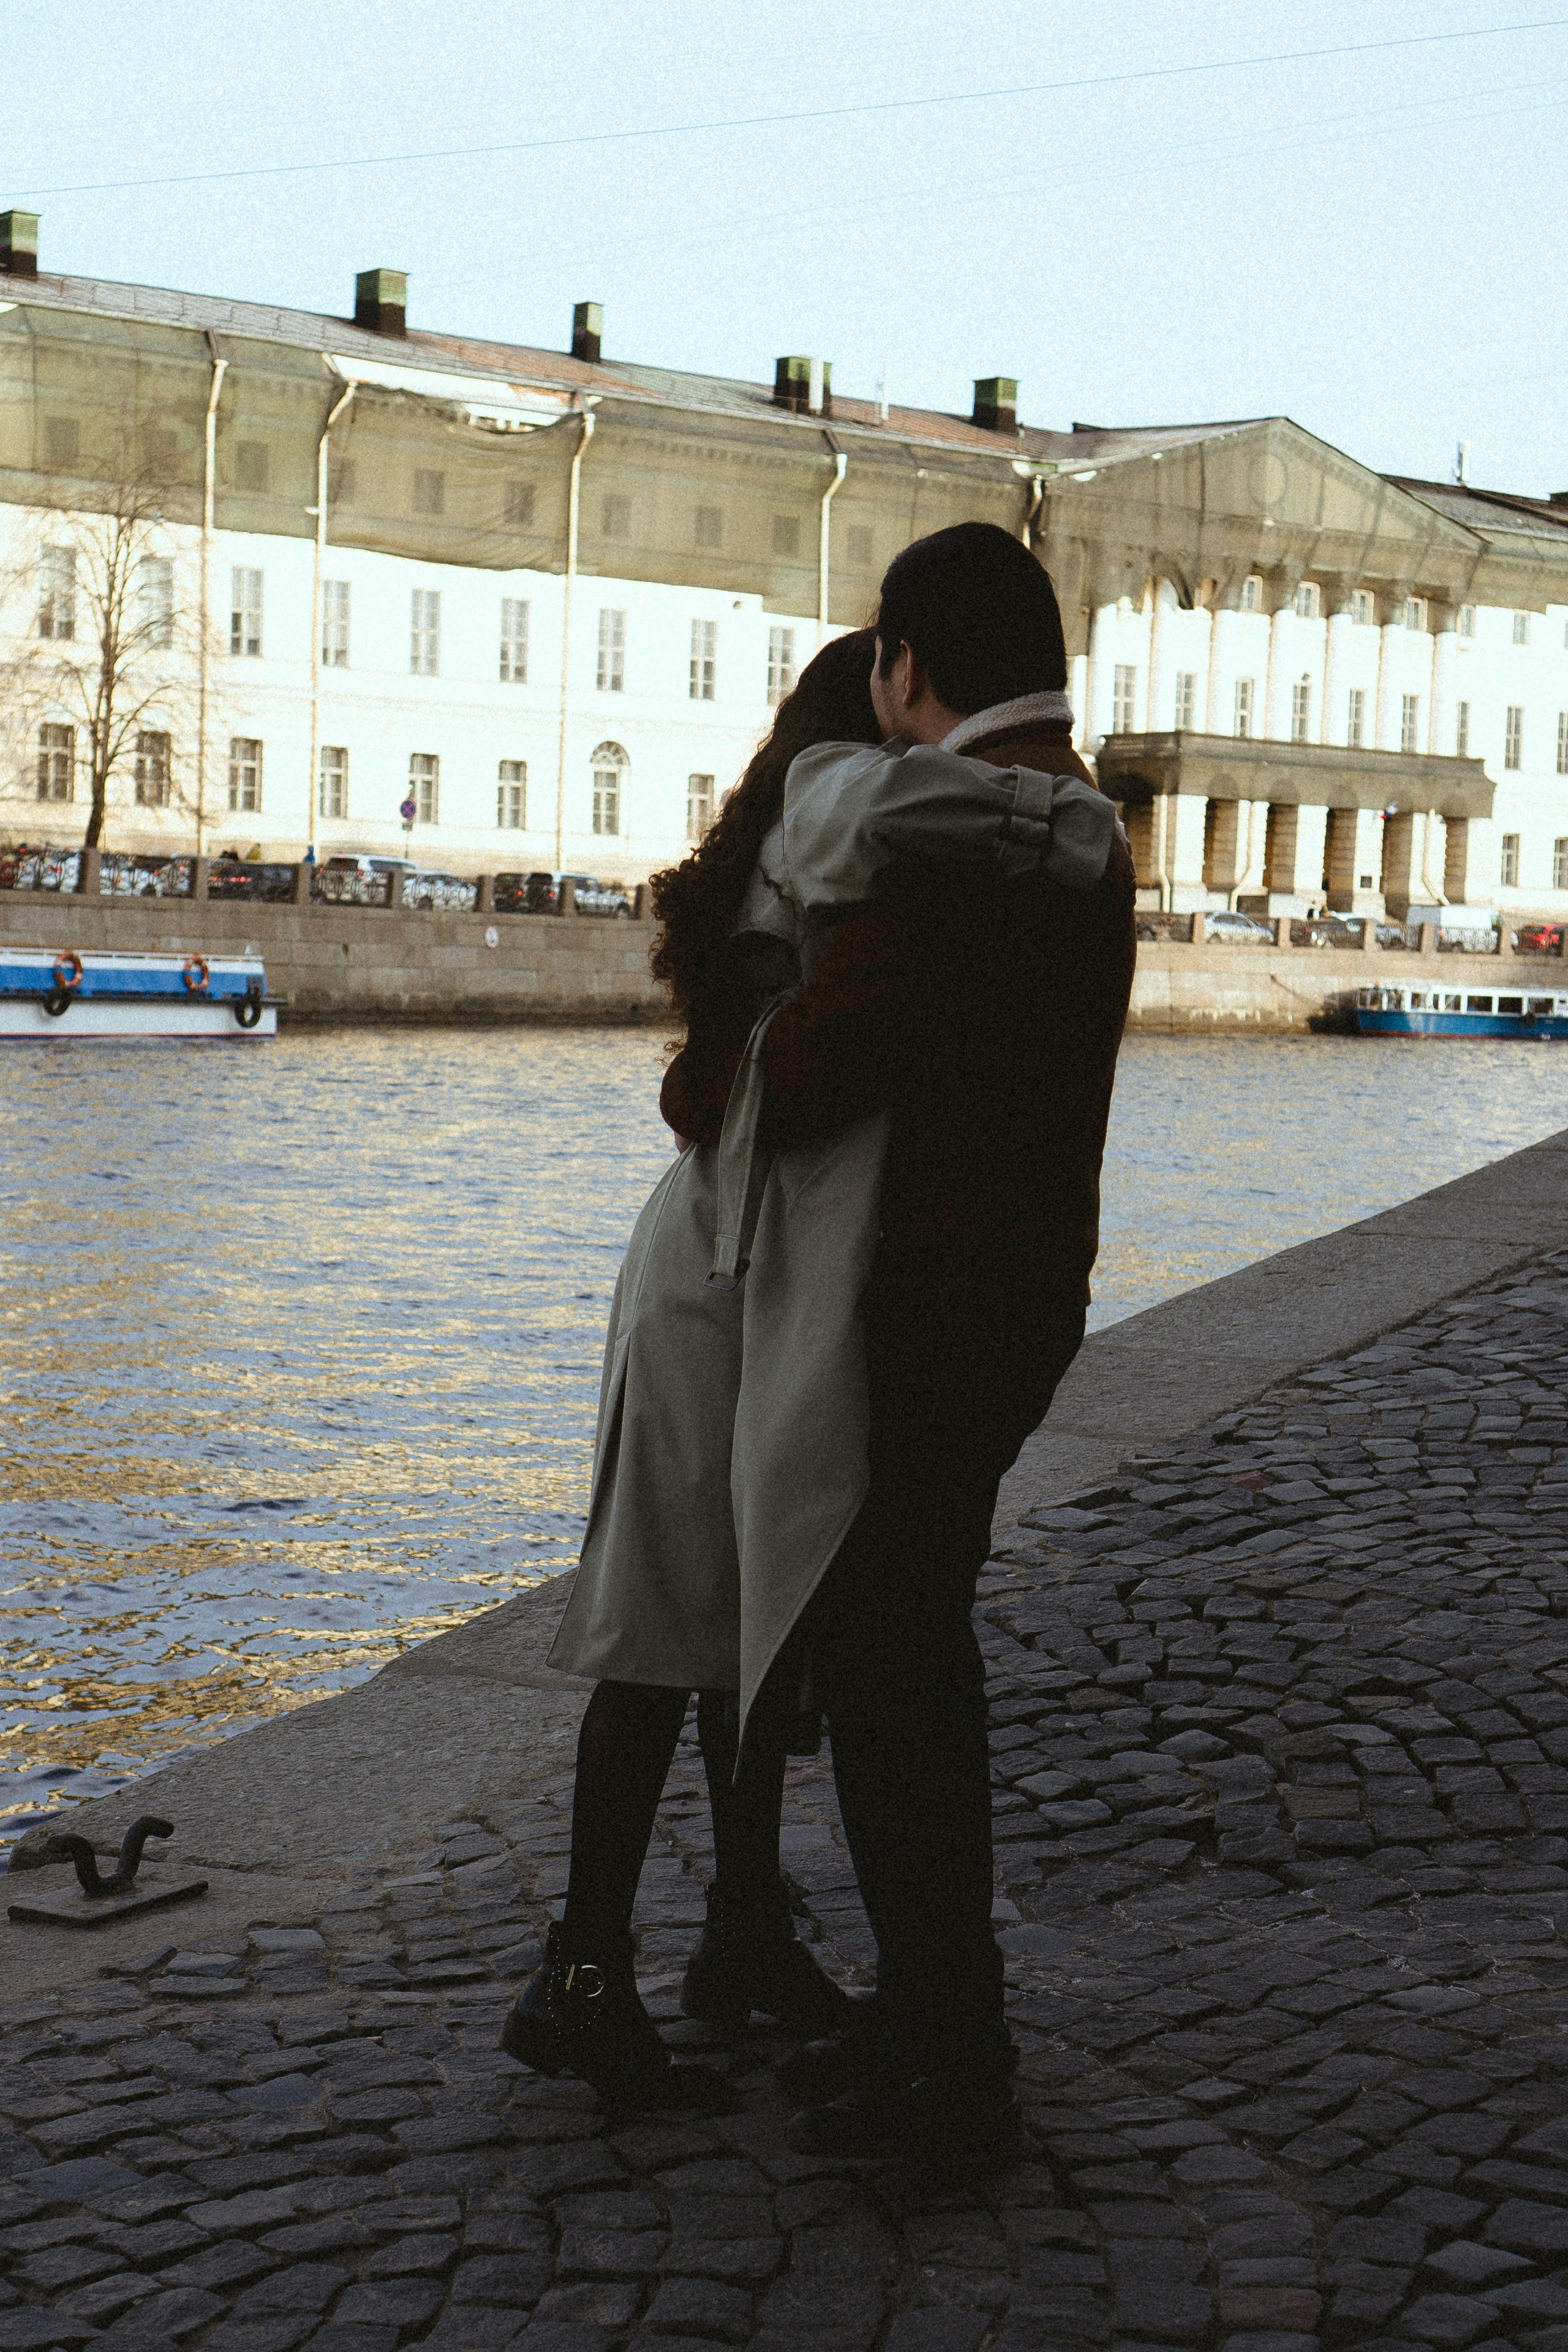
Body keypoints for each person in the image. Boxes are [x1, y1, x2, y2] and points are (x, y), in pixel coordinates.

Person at [661, 522, 1136, 2158]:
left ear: (907, 667)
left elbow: (818, 1065)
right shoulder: (1068, 819)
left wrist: (740, 1057)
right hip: (1018, 1289)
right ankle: (939, 2013)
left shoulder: (960, 845)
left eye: (886, 669)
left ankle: (949, 2042)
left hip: (928, 1296)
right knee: (912, 1648)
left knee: (898, 1673)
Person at [497, 633, 885, 2114]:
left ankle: (736, 1933)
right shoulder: (828, 823)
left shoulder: (785, 833)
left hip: (736, 1258)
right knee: (665, 1627)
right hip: (715, 1272)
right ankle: (581, 1974)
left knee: (751, 1623)